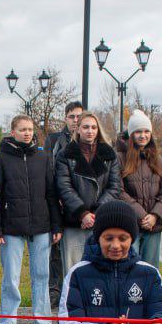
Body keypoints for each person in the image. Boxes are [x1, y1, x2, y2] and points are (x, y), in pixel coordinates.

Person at [0, 114, 60, 324]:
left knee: (41, 276)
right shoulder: (0, 159)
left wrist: (56, 224)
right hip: (11, 228)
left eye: (30, 129)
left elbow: (51, 194)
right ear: (13, 132)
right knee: (11, 278)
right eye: (22, 130)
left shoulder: (43, 158)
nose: (27, 133)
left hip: (41, 226)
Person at [55, 112, 121, 275]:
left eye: (93, 127)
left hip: (101, 221)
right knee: (73, 271)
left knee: (101, 271)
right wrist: (83, 213)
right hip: (75, 221)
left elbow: (114, 187)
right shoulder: (65, 155)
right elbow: (64, 187)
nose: (90, 131)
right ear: (78, 130)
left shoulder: (109, 155)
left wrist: (96, 214)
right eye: (85, 127)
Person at [116, 110, 162, 268]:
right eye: (138, 131)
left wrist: (154, 215)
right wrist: (141, 215)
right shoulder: (120, 157)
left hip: (153, 225)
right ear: (131, 134)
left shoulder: (159, 160)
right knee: (128, 266)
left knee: (150, 269)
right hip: (130, 223)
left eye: (146, 131)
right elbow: (118, 190)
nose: (143, 135)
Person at [45, 100, 85, 307]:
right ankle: (54, 289)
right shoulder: (53, 140)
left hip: (78, 204)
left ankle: (75, 290)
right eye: (72, 116)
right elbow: (48, 169)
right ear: (65, 118)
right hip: (56, 200)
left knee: (75, 249)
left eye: (79, 116)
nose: (76, 120)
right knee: (55, 248)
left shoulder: (87, 141)